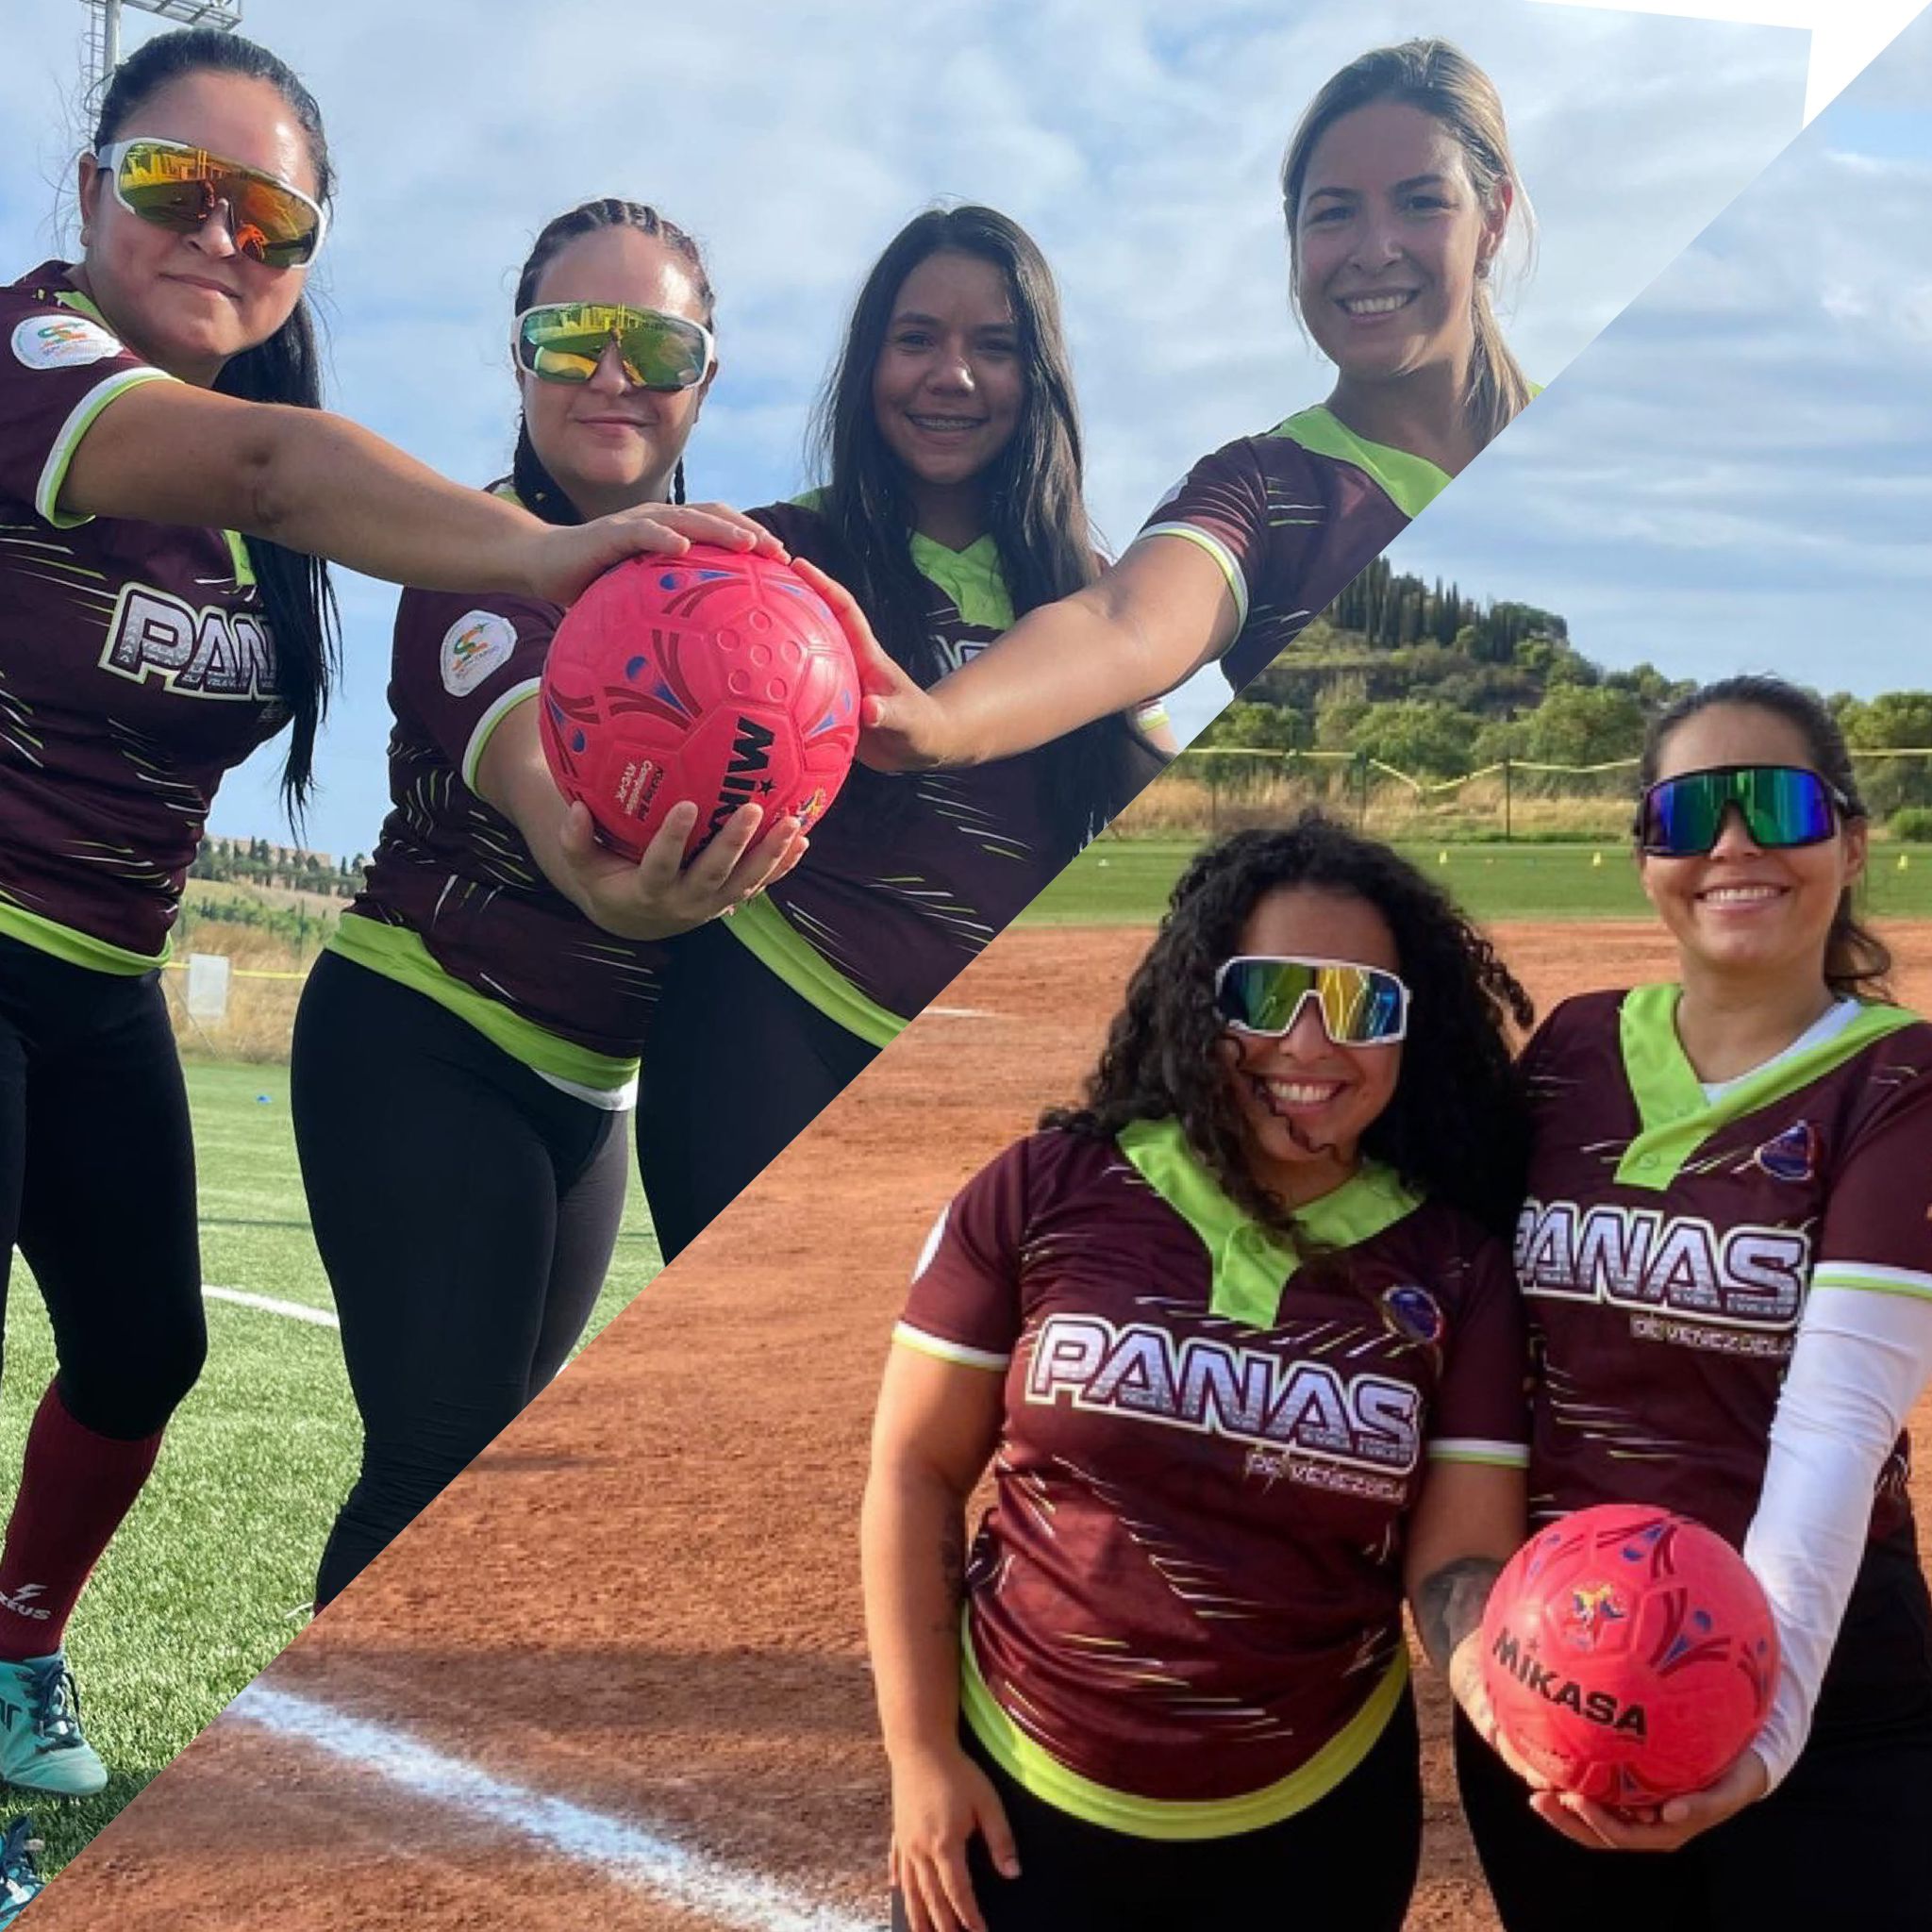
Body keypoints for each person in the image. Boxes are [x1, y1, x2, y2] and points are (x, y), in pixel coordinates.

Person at [0, 27, 775, 1795]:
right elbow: (295, 486)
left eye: (263, 210)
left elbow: (271, 494)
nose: (217, 233)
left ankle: (18, 1640)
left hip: (108, 978)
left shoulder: (267, 497)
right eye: (171, 188)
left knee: (144, 1353)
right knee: (429, 1442)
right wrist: (540, 557)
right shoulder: (40, 358)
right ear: (87, 185)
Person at [862, 817, 1538, 1932]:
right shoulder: (1048, 1188)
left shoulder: (1453, 1265)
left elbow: (1461, 1552)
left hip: (1310, 1825)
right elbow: (914, 1468)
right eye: (1268, 994)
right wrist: (921, 1753)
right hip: (1020, 1798)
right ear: (1200, 998)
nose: (1311, 1044)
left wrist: (1506, 1686)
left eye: (1364, 1005)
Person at [291, 199, 801, 1607]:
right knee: (431, 1461)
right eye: (572, 335)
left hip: (593, 1097)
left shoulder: (736, 594)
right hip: (423, 1039)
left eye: (656, 341)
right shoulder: (466, 555)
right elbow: (569, 835)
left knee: (489, 1478)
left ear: (707, 374)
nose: (612, 372)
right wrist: (637, 896)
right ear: (517, 363)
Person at [1456, 676, 1932, 1931]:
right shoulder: (1570, 1049)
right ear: (1645, 857)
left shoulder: (1900, 1080)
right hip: (1557, 1670)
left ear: (1849, 838)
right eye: (1688, 814)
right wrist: (1482, 1649)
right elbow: (1472, 1339)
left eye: (1774, 804)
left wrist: (1753, 1735)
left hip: (1815, 1684)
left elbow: (1837, 1422)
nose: (1733, 845)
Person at [637, 206, 1169, 1260]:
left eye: (994, 347)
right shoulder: (773, 562)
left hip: (979, 1081)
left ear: (1040, 379)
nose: (950, 375)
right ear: (868, 361)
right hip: (760, 1033)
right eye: (915, 338)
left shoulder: (1093, 600)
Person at [839, 39, 1536, 777]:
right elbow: (1121, 621)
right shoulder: (1260, 490)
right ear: (1295, 238)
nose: (1373, 249)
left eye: (1420, 203)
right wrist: (940, 720)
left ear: (1492, 219)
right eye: (1333, 214)